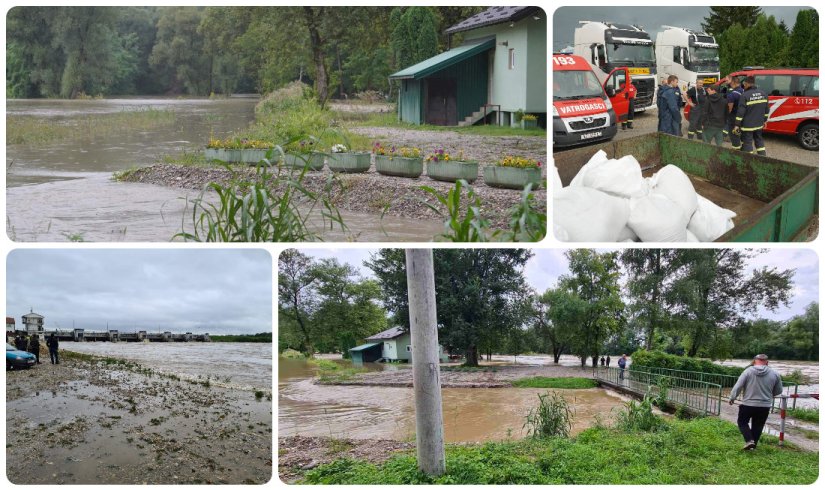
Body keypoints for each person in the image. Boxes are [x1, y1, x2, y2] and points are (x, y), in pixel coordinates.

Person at [729, 354, 783, 450]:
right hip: (764, 405)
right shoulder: (775, 373)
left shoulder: (747, 371)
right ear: (767, 362)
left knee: (742, 422)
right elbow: (779, 391)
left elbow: (738, 386)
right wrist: (770, 394)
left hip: (748, 404)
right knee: (758, 425)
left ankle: (749, 441)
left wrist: (732, 397)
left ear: (754, 361)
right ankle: (752, 446)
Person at [733, 76, 770, 156]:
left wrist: (737, 125)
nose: (744, 86)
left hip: (747, 125)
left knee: (747, 143)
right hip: (759, 124)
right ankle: (763, 158)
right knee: (759, 140)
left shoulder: (744, 95)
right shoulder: (764, 94)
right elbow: (767, 110)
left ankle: (749, 160)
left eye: (744, 84)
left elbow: (740, 112)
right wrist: (765, 120)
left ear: (746, 84)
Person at [701, 82, 728, 146]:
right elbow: (726, 113)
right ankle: (718, 155)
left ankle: (707, 155)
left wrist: (703, 123)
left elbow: (705, 113)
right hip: (720, 125)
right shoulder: (724, 100)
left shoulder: (708, 100)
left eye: (709, 90)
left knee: (706, 143)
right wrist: (724, 123)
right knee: (719, 144)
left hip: (710, 125)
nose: (708, 92)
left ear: (714, 91)